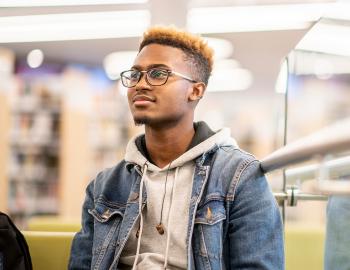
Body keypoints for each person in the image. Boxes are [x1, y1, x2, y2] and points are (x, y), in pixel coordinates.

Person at [69, 25, 284, 270]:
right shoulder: (105, 185)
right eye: (135, 74)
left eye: (158, 74)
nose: (141, 84)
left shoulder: (239, 176)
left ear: (195, 90)